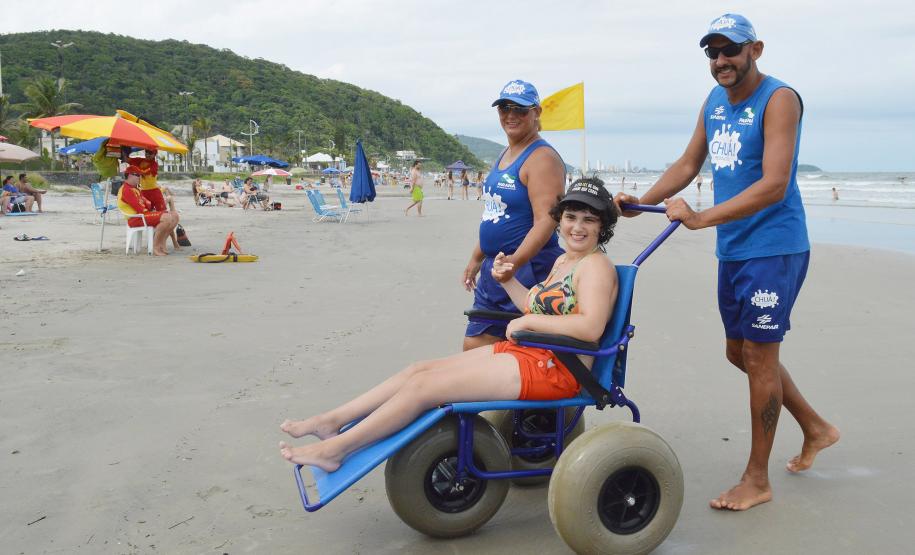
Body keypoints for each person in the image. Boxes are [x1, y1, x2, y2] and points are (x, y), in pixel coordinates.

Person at [614, 14, 839, 512]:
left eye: (730, 50)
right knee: (740, 353)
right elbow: (689, 163)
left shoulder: (779, 99)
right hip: (734, 248)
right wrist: (641, 202)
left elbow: (776, 182)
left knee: (760, 357)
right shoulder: (715, 101)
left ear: (755, 49)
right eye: (712, 53)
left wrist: (702, 217)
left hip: (774, 247)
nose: (721, 62)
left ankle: (757, 478)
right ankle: (817, 428)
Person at [279, 180, 619, 470]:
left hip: (559, 369)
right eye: (571, 216)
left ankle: (335, 450)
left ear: (601, 227)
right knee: (418, 371)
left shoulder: (596, 267)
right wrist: (508, 281)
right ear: (559, 220)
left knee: (425, 390)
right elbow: (534, 304)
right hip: (532, 353)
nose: (577, 226)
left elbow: (590, 328)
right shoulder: (564, 260)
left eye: (589, 220)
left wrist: (528, 321)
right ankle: (332, 423)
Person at [464, 81, 567, 351]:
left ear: (537, 112)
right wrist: (477, 257)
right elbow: (495, 212)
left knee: (518, 351)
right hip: (495, 268)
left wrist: (514, 263)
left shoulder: (542, 158)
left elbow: (548, 219)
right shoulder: (504, 153)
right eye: (504, 107)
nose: (511, 115)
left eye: (520, 109)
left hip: (526, 268)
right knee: (474, 349)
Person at [117, 165, 179, 256]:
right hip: (136, 219)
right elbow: (140, 208)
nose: (140, 178)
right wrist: (152, 209)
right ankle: (155, 247)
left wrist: (152, 206)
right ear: (130, 175)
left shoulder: (135, 188)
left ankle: (162, 243)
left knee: (175, 216)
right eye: (138, 175)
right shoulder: (126, 190)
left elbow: (147, 204)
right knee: (166, 217)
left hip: (143, 215)